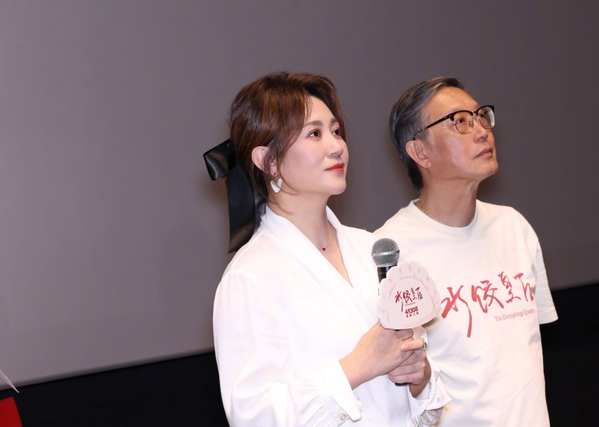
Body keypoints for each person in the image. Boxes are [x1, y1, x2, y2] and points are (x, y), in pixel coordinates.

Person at [204, 72, 449, 426]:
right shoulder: (250, 276)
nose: (337, 146)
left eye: (335, 131)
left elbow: (427, 412)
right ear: (268, 161)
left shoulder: (373, 249)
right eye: (314, 134)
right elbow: (254, 417)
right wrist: (356, 367)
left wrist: (419, 377)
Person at [375, 77, 558, 426]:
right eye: (460, 121)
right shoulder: (391, 252)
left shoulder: (514, 226)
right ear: (420, 152)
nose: (482, 131)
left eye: (481, 116)